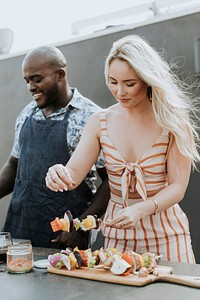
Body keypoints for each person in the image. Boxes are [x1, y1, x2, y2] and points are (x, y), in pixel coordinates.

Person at [46, 35, 200, 263]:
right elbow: (73, 176)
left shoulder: (172, 122)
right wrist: (57, 173)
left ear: (148, 79)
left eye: (129, 84)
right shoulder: (100, 121)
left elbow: (178, 187)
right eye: (113, 81)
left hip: (168, 234)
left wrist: (141, 209)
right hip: (118, 236)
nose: (119, 91)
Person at [0, 45, 110, 249]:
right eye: (27, 81)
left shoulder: (91, 117)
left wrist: (80, 228)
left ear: (60, 74)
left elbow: (111, 181)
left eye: (37, 79)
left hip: (64, 237)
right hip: (20, 230)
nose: (30, 87)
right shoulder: (27, 113)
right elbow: (14, 166)